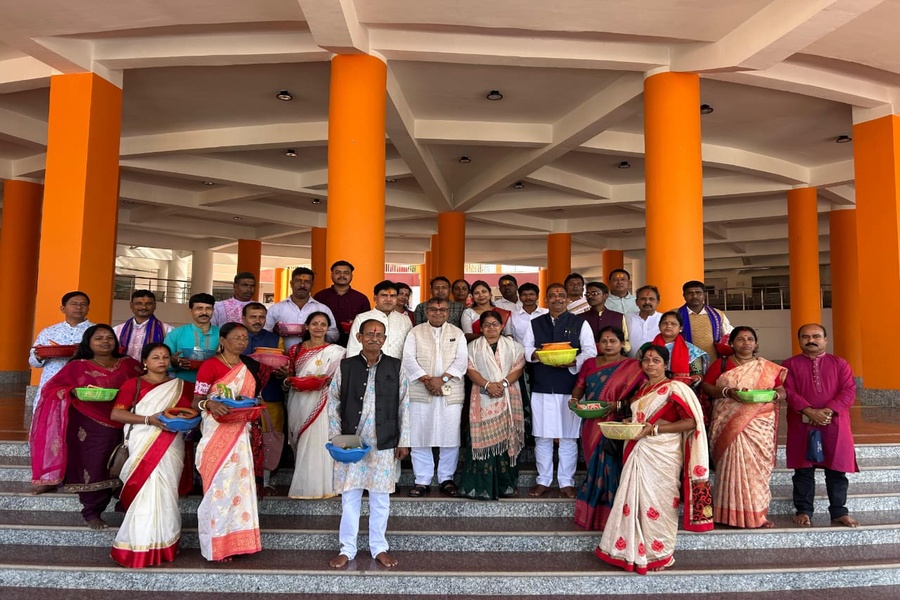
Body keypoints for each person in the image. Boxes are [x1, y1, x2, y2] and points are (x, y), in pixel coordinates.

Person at [595, 345, 712, 574]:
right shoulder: (642, 389)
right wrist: (631, 424)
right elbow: (642, 419)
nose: (650, 364)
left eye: (656, 360)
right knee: (636, 501)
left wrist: (655, 430)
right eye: (646, 360)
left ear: (665, 365)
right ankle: (632, 551)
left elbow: (691, 422)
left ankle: (660, 554)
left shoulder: (675, 388)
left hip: (663, 453)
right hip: (638, 448)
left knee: (659, 502)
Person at [29, 325, 142, 529]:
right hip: (88, 423)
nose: (105, 341)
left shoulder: (129, 364)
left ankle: (125, 505)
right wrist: (71, 392)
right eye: (98, 338)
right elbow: (53, 388)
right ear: (88, 342)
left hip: (126, 422)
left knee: (128, 462)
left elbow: (144, 384)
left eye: (109, 337)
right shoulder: (77, 366)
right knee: (93, 464)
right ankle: (91, 512)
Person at [327, 319, 410, 569]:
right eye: (369, 333)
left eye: (379, 334)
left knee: (380, 498)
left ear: (385, 339)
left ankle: (379, 547)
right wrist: (336, 439)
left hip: (383, 442)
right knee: (350, 496)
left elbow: (405, 405)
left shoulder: (396, 367)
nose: (374, 337)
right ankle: (347, 549)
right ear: (360, 337)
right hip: (351, 440)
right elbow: (333, 403)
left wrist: (403, 441)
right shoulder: (346, 366)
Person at [110, 343, 195, 568]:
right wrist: (149, 420)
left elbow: (193, 411)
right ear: (145, 361)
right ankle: (134, 545)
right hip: (143, 440)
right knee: (145, 494)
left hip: (171, 443)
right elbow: (117, 414)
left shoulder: (182, 386)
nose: (162, 361)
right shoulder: (133, 384)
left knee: (166, 493)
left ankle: (164, 544)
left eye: (166, 357)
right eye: (156, 357)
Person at [701, 326, 787, 529]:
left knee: (757, 470)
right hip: (727, 423)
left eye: (750, 339)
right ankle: (726, 514)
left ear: (756, 344)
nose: (746, 342)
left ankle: (758, 515)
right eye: (740, 339)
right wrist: (727, 391)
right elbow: (706, 386)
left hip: (759, 424)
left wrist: (773, 396)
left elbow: (781, 391)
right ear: (731, 344)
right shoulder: (721, 364)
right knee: (729, 466)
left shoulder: (767, 367)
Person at [192, 323, 264, 562]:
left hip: (241, 433)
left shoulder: (248, 367)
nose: (242, 342)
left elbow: (252, 399)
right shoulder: (210, 366)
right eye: (236, 337)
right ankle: (216, 545)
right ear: (222, 340)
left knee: (240, 487)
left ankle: (239, 542)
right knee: (218, 487)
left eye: (245, 338)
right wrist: (210, 404)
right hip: (216, 433)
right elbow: (196, 401)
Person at [522, 283, 597, 498]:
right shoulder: (535, 323)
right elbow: (526, 348)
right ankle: (543, 480)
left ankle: (566, 482)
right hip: (542, 385)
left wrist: (573, 361)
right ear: (546, 299)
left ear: (567, 299)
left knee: (568, 437)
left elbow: (590, 351)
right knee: (542, 437)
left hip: (570, 387)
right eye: (552, 295)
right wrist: (538, 356)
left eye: (561, 295)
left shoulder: (579, 323)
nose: (557, 299)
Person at [568, 327, 645, 530]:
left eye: (613, 341)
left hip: (617, 423)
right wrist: (574, 399)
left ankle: (617, 512)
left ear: (622, 344)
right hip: (592, 421)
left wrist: (617, 405)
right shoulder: (590, 363)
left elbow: (642, 395)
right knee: (594, 463)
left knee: (613, 464)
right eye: (604, 341)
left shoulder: (633, 366)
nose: (608, 345)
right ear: (598, 344)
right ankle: (594, 513)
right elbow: (580, 384)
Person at [783, 323, 859, 528]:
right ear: (799, 341)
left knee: (836, 470)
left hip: (834, 423)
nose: (811, 340)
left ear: (825, 340)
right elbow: (788, 391)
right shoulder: (789, 365)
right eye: (805, 337)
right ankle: (804, 511)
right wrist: (809, 410)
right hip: (802, 423)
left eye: (816, 336)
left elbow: (848, 391)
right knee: (803, 470)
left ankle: (839, 512)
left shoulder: (840, 364)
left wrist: (828, 411)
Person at [402, 296, 468, 497]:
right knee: (420, 435)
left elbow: (462, 360)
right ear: (426, 312)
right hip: (422, 389)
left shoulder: (457, 333)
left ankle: (446, 478)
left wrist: (443, 379)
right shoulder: (415, 332)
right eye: (433, 309)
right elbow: (408, 359)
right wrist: (427, 380)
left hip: (450, 391)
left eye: (442, 310)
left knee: (450, 436)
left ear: (448, 313)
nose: (438, 313)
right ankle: (422, 480)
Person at [459, 310, 526, 500]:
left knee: (505, 444)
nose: (491, 328)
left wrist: (502, 385)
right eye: (487, 324)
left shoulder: (514, 347)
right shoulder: (471, 347)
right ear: (480, 328)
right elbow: (470, 370)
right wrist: (488, 385)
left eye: (495, 324)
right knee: (480, 445)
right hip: (481, 397)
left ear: (501, 326)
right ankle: (480, 488)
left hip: (507, 398)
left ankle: (505, 486)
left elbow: (517, 369)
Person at [284, 311, 345, 499]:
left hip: (323, 400)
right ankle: (303, 485)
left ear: (328, 328)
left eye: (323, 324)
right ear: (307, 326)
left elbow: (339, 379)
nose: (319, 327)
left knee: (320, 440)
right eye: (315, 323)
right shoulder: (295, 350)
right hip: (298, 400)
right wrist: (288, 382)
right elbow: (288, 374)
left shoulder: (336, 351)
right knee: (301, 441)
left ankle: (324, 486)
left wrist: (325, 381)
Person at [242, 302, 289, 495]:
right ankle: (243, 481)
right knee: (244, 439)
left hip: (270, 394)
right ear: (243, 318)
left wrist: (282, 372)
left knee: (270, 439)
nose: (257, 320)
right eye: (253, 317)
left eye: (261, 317)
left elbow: (281, 368)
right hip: (242, 397)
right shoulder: (235, 337)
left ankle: (266, 482)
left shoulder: (275, 339)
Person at [29, 291, 94, 408]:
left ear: (88, 309)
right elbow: (33, 362)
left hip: (83, 383)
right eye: (74, 304)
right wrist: (39, 356)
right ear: (63, 308)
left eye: (83, 304)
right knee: (49, 419)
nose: (79, 307)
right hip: (52, 383)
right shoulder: (48, 332)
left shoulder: (97, 331)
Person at [266, 267, 338, 351]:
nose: (302, 285)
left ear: (312, 285)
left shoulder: (322, 309)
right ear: (291, 283)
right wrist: (275, 332)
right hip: (282, 359)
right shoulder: (276, 309)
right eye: (298, 281)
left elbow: (334, 335)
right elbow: (264, 333)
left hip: (315, 359)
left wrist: (317, 332)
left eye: (307, 282)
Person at [345, 280, 413, 359]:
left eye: (393, 296)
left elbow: (410, 349)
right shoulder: (362, 318)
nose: (388, 299)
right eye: (384, 295)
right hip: (368, 369)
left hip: (398, 369)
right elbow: (353, 349)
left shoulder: (405, 320)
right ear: (375, 298)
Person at [163, 293, 219, 384]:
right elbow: (163, 362)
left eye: (208, 308)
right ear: (190, 311)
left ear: (213, 310)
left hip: (214, 385)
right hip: (182, 384)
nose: (204, 312)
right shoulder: (176, 333)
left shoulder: (222, 334)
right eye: (199, 308)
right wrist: (174, 362)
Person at [313, 260, 371, 346]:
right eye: (338, 272)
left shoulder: (361, 298)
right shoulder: (320, 296)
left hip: (353, 344)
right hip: (323, 344)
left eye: (346, 273)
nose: (342, 275)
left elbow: (367, 324)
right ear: (331, 275)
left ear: (351, 276)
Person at [651, 310, 710, 389]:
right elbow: (638, 371)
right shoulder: (647, 347)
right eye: (665, 323)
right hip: (652, 388)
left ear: (680, 328)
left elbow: (698, 373)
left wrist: (689, 381)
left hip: (681, 390)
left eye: (673, 324)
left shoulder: (691, 350)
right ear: (659, 326)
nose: (668, 326)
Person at [677, 280, 733, 359]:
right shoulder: (675, 314)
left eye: (698, 293)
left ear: (704, 295)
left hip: (713, 362)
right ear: (684, 295)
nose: (694, 296)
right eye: (690, 293)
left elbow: (729, 336)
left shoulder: (718, 314)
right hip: (685, 362)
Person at [113, 289, 173, 361]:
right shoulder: (117, 330)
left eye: (148, 304)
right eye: (138, 303)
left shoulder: (167, 330)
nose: (143, 307)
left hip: (154, 372)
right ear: (131, 306)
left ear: (154, 306)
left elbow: (170, 357)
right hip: (124, 371)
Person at [582, 282, 630, 354]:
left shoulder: (618, 317)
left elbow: (625, 340)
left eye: (594, 293)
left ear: (605, 295)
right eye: (588, 294)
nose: (590, 297)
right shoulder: (580, 318)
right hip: (589, 358)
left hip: (614, 358)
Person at [626, 285, 662, 358]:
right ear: (636, 302)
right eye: (643, 299)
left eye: (651, 299)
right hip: (631, 364)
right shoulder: (627, 318)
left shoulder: (664, 319)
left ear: (658, 302)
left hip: (656, 364)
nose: (647, 302)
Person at [509, 282, 547, 347]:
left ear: (537, 296)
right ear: (520, 297)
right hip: (521, 354)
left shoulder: (546, 313)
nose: (528, 297)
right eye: (524, 295)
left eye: (531, 294)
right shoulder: (513, 316)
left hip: (544, 353)